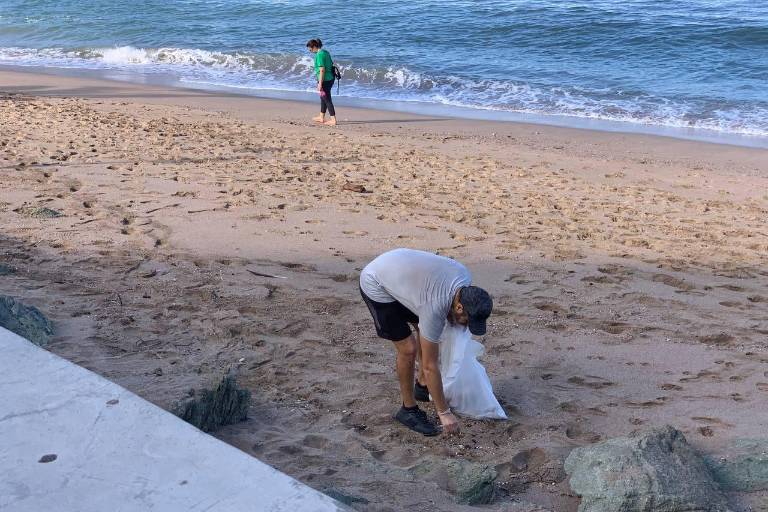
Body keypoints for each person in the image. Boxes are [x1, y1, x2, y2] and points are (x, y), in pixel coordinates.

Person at [359, 248, 493, 436]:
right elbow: (431, 366)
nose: (465, 327)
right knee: (408, 348)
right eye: (466, 321)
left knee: (426, 331)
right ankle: (408, 409)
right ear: (459, 307)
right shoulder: (435, 306)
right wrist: (444, 413)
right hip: (376, 283)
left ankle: (422, 386)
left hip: (403, 274)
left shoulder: (464, 279)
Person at [306, 38, 337, 126]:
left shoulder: (319, 55)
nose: (310, 51)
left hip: (324, 80)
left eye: (310, 49)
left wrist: (320, 83)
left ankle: (333, 120)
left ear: (314, 47)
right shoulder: (325, 52)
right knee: (323, 98)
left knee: (327, 99)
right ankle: (321, 117)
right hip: (330, 78)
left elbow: (322, 70)